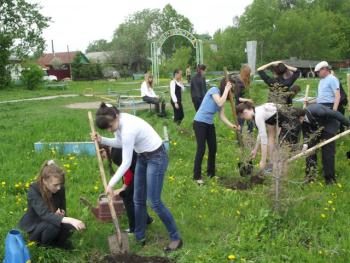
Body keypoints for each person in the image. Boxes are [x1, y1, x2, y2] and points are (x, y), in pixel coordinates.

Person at [91, 103, 182, 252]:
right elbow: (121, 143)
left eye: (110, 126)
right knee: (137, 199)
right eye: (106, 128)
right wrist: (102, 139)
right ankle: (140, 236)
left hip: (156, 157)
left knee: (155, 202)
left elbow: (126, 162)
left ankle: (176, 238)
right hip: (142, 156)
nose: (109, 129)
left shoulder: (128, 128)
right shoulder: (119, 123)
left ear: (115, 116)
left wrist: (111, 184)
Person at [18, 160, 85, 249]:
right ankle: (44, 246)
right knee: (54, 226)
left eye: (60, 184)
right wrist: (70, 220)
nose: (59, 187)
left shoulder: (60, 188)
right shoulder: (33, 190)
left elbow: (62, 207)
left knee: (70, 227)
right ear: (45, 181)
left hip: (50, 218)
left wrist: (61, 213)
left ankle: (57, 243)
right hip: (36, 225)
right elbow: (44, 214)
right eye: (55, 185)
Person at [193, 76, 239, 185]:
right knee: (201, 149)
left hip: (209, 124)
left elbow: (222, 116)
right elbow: (219, 102)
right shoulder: (214, 90)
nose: (231, 92)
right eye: (231, 88)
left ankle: (211, 173)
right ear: (226, 85)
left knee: (213, 148)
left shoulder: (222, 97)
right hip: (199, 123)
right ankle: (196, 176)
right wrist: (227, 90)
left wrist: (232, 126)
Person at [100, 146, 154, 234]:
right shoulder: (117, 148)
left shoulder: (115, 154)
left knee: (127, 198)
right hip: (143, 169)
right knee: (136, 198)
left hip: (138, 173)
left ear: (103, 150)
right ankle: (147, 220)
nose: (104, 158)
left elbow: (128, 173)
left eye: (103, 155)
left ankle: (134, 229)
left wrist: (123, 188)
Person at [236, 102, 300, 171]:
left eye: (244, 117)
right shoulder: (258, 110)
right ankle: (274, 169)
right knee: (278, 152)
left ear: (245, 112)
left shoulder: (258, 116)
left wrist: (263, 161)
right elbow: (260, 134)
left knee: (281, 153)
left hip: (292, 125)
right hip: (287, 124)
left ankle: (280, 178)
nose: (245, 119)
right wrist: (255, 149)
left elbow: (264, 140)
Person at [296, 104, 350, 184]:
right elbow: (306, 133)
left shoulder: (318, 111)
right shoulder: (302, 121)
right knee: (310, 150)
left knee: (327, 151)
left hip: (330, 124)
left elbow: (336, 114)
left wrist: (348, 124)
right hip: (316, 126)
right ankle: (310, 177)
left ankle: (330, 179)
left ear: (301, 117)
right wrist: (305, 144)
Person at [224, 64, 254, 133]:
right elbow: (238, 98)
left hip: (247, 105)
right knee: (240, 124)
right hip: (240, 107)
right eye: (248, 73)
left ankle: (250, 137)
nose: (249, 75)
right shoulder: (239, 83)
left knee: (251, 124)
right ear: (245, 73)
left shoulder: (246, 81)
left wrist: (249, 101)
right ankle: (239, 139)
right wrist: (248, 100)